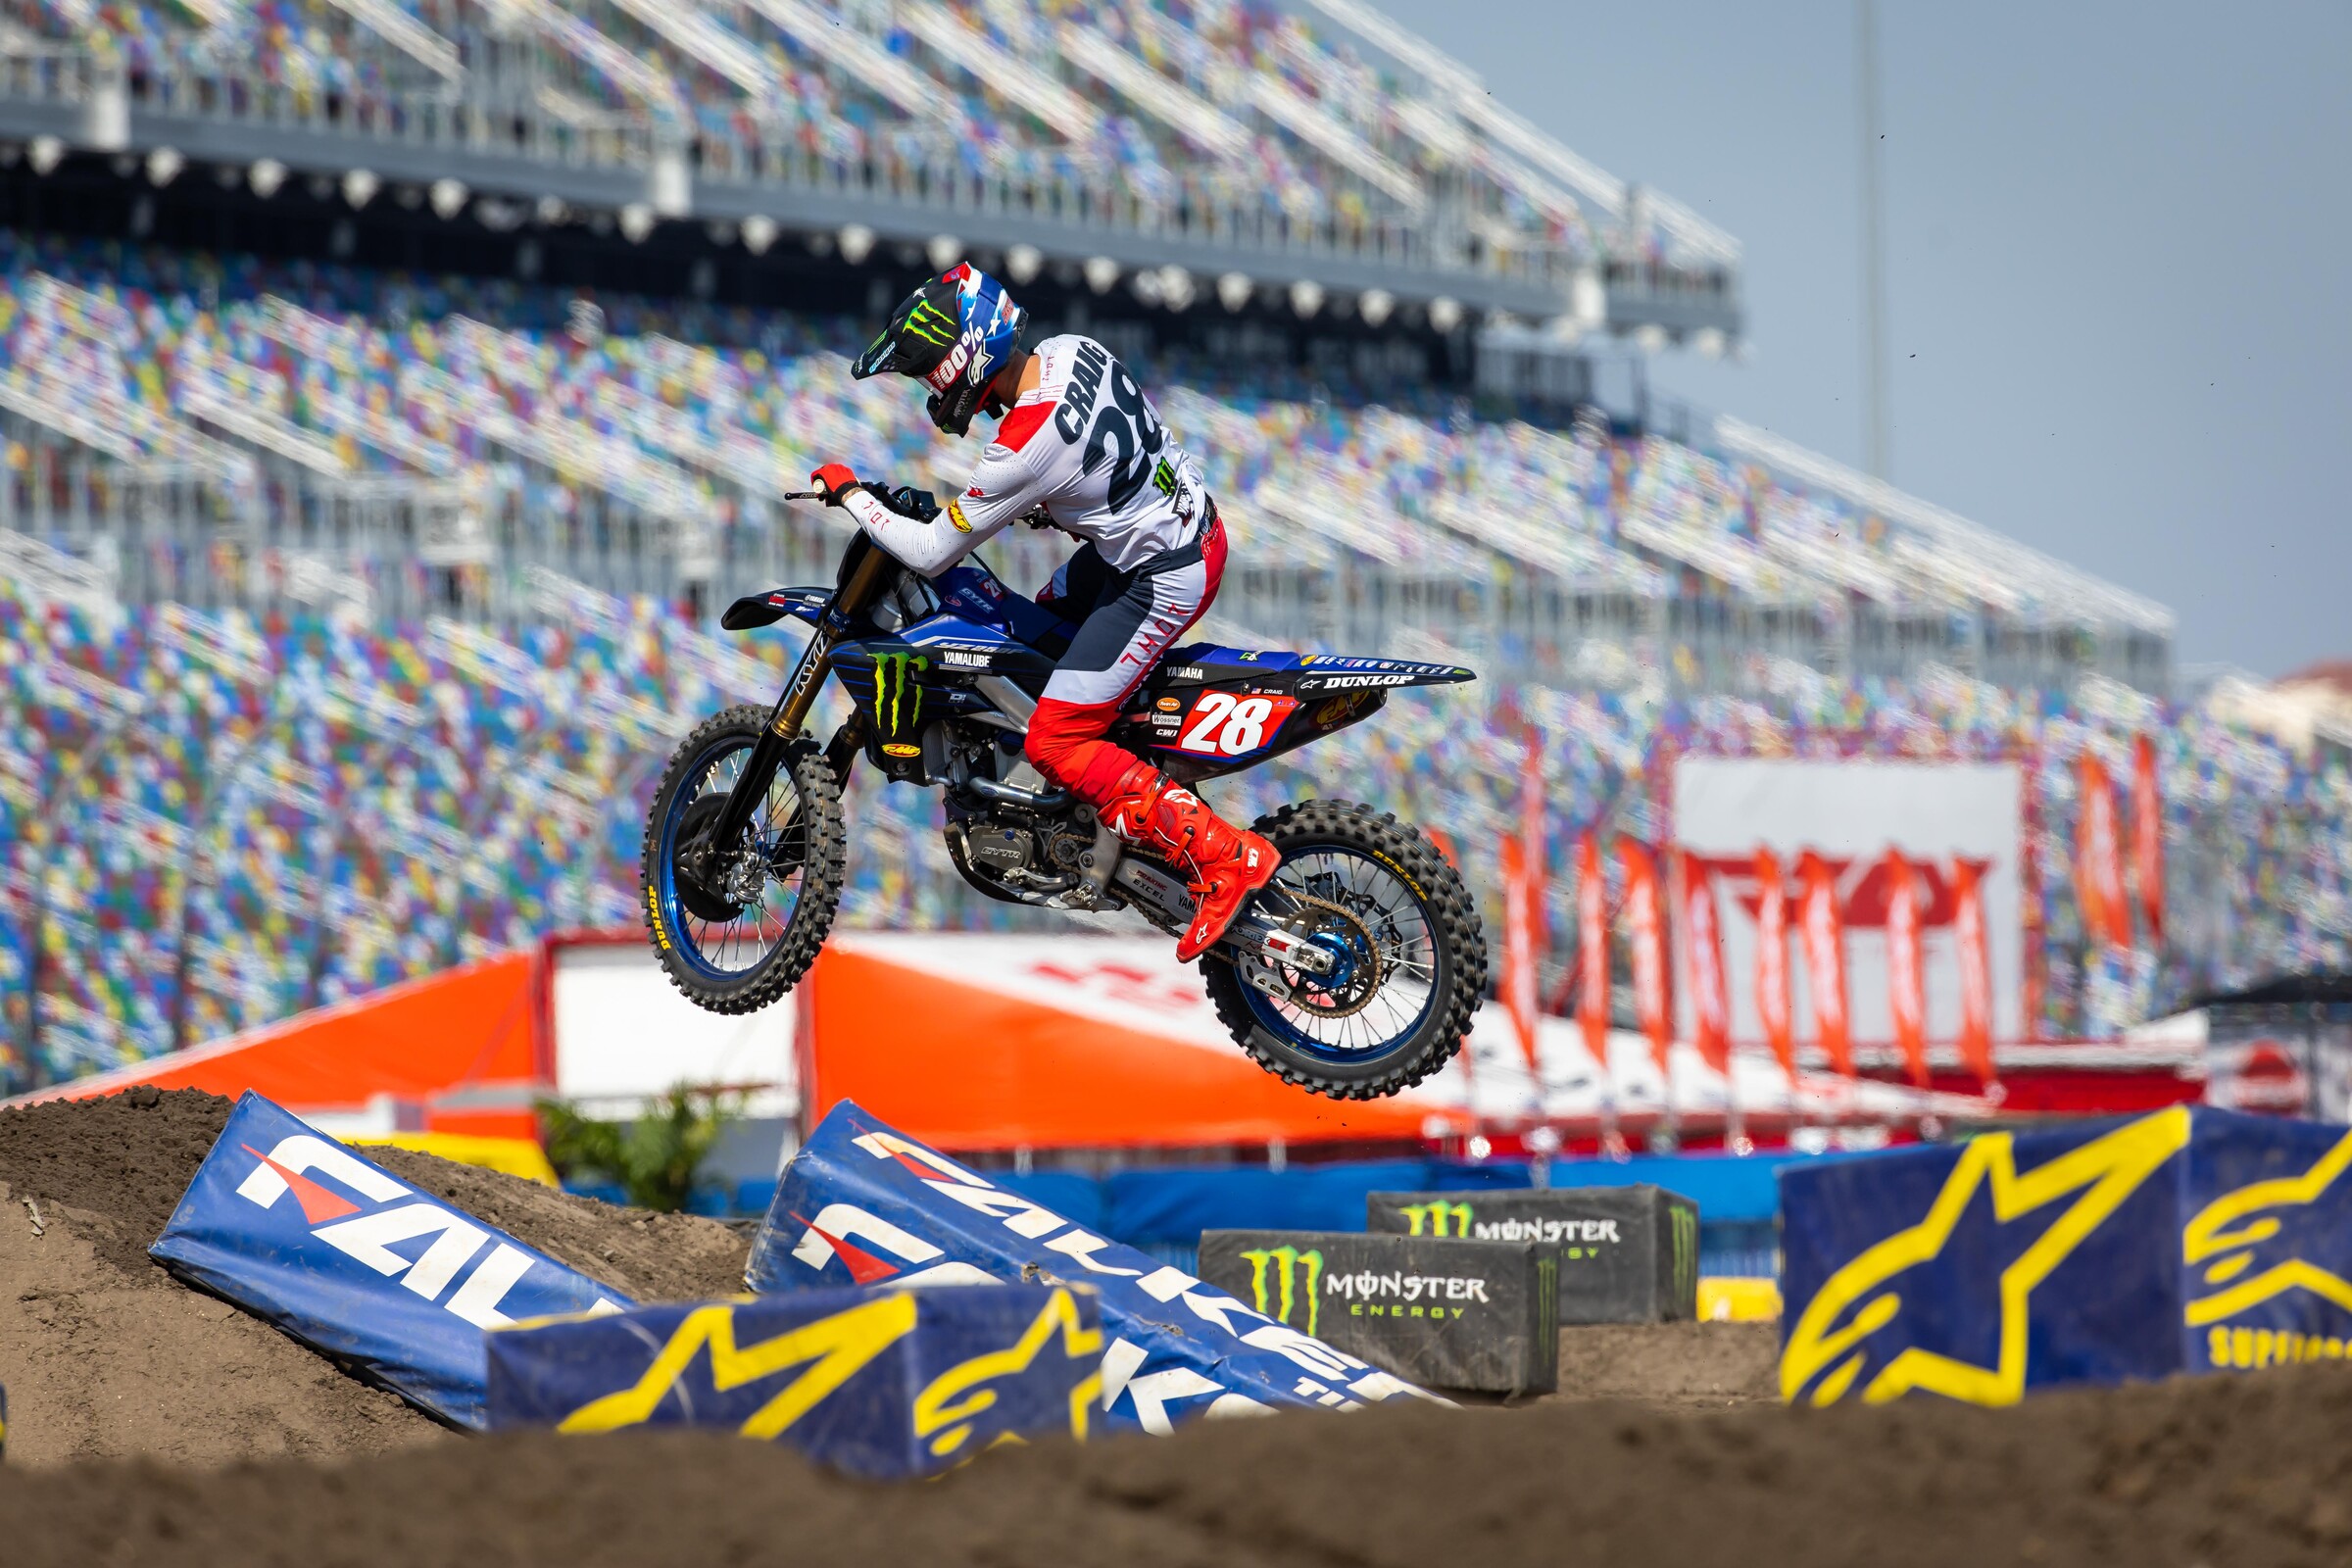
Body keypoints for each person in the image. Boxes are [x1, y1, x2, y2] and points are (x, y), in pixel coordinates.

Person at [808, 263, 1276, 963]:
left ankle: (1220, 855)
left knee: (1053, 740)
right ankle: (1098, 797)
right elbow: (1105, 456)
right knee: (1024, 634)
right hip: (1176, 528)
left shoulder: (1023, 445)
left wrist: (852, 495)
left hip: (1161, 574)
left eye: (930, 368)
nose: (929, 385)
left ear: (966, 353)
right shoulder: (1073, 351)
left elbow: (933, 551)